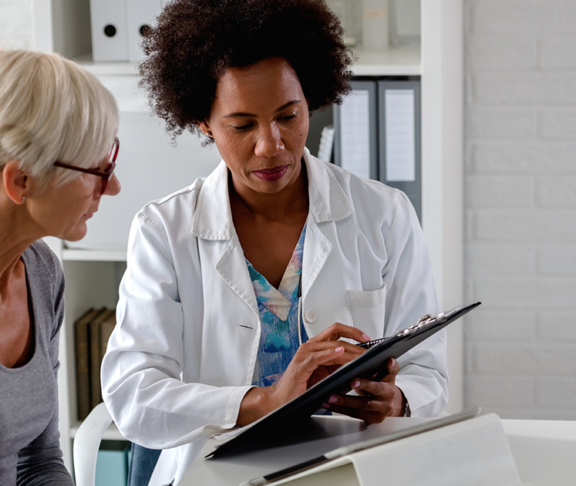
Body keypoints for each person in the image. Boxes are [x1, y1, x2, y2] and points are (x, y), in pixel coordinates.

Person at [101, 0, 448, 484]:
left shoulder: (384, 215)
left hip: (356, 469)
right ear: (203, 122)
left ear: (313, 99)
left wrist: (400, 398)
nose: (271, 145)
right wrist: (261, 401)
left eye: (288, 115)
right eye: (242, 125)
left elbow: (428, 374)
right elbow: (134, 394)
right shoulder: (164, 231)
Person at [0, 50, 121, 484]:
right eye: (96, 170)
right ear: (21, 181)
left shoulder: (41, 272)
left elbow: (38, 460)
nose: (114, 187)